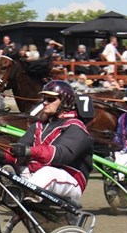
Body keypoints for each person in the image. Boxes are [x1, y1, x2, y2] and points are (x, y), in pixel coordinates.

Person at [7, 80, 94, 211]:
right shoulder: (37, 126)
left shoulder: (76, 127)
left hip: (70, 179)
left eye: (50, 99)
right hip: (36, 175)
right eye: (44, 99)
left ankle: (20, 193)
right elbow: (17, 150)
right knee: (1, 169)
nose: (45, 102)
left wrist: (29, 151)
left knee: (47, 173)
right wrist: (2, 154)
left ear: (65, 102)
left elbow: (62, 154)